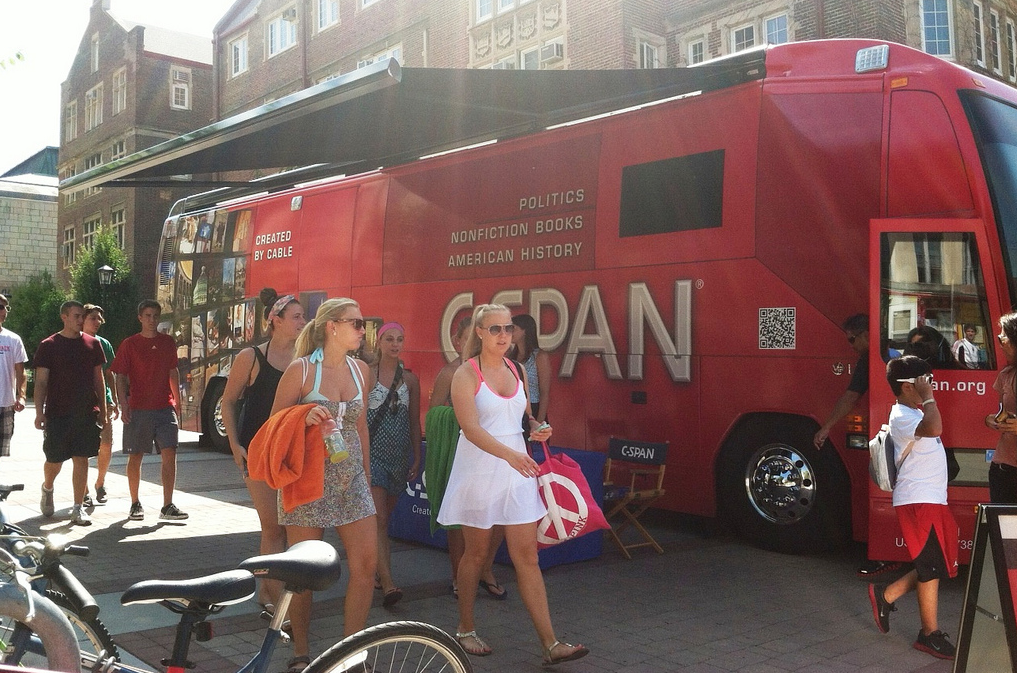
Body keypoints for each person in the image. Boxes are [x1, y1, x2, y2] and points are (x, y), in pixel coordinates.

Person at [437, 303, 588, 666]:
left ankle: (550, 643)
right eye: (495, 329)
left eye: (507, 329)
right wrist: (510, 454)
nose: (503, 335)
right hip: (480, 470)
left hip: (516, 469)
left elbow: (524, 417)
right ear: (479, 332)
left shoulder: (518, 368)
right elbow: (470, 430)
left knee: (527, 557)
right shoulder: (466, 374)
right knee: (475, 554)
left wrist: (537, 429)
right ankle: (465, 628)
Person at [267, 298, 377, 672]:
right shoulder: (300, 370)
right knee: (304, 572)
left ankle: (351, 654)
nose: (363, 331)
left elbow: (360, 427)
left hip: (351, 480)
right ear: (332, 326)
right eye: (357, 323)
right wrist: (303, 414)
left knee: (366, 563)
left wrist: (365, 474)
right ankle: (301, 652)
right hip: (307, 479)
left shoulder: (361, 369)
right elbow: (274, 425)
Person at [868, 355, 958, 660]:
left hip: (931, 499)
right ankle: (928, 635)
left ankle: (886, 594)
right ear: (908, 386)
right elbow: (934, 428)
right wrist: (930, 398)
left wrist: (927, 398)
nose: (931, 385)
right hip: (918, 500)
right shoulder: (903, 416)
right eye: (926, 380)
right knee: (931, 565)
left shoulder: (911, 411)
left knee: (937, 562)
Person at [221, 289, 305, 612]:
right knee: (273, 527)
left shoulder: (306, 358)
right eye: (296, 316)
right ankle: (275, 604)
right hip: (258, 454)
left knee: (288, 529)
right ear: (276, 320)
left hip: (293, 455)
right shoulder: (251, 357)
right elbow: (228, 401)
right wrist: (234, 444)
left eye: (303, 316)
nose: (303, 321)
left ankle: (268, 593)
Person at [427, 315, 507, 601]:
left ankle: (485, 570)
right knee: (461, 522)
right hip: (461, 453)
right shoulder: (451, 373)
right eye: (466, 339)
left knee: (498, 516)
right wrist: (463, 418)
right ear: (458, 340)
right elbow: (434, 414)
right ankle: (458, 576)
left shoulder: (498, 369)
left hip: (497, 455)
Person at [813, 314, 897, 575]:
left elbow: (850, 397)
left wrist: (826, 428)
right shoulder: (897, 350)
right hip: (914, 433)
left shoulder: (870, 360)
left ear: (866, 334)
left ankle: (887, 554)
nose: (851, 346)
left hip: (893, 433)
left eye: (852, 340)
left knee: (885, 488)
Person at [111, 300, 188, 522]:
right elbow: (120, 375)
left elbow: (173, 371)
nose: (152, 320)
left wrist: (178, 400)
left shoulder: (167, 342)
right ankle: (135, 503)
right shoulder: (130, 344)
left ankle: (167, 505)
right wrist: (123, 404)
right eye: (147, 315)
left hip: (165, 407)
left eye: (155, 315)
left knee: (170, 453)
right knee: (136, 456)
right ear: (140, 318)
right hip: (139, 408)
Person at [34, 300, 107, 526]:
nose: (80, 319)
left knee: (81, 458)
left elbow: (99, 379)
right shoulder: (49, 345)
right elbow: (41, 382)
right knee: (54, 460)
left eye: (81, 316)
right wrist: (39, 412)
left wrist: (103, 409)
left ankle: (78, 508)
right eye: (76, 316)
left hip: (85, 412)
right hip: (58, 413)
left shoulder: (93, 345)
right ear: (64, 317)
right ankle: (47, 487)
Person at [366, 322, 421, 608]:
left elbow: (414, 422)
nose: (395, 344)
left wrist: (417, 456)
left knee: (384, 519)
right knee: (379, 520)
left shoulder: (410, 380)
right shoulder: (367, 374)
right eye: (389, 339)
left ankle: (377, 568)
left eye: (400, 339)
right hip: (372, 453)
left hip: (398, 456)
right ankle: (388, 583)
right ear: (379, 341)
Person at [82, 304, 119, 504]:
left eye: (99, 319)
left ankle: (100, 482)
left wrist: (114, 399)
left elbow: (109, 373)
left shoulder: (104, 344)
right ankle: (84, 489)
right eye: (92, 318)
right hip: (82, 402)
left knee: (106, 444)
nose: (97, 322)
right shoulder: (75, 341)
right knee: (84, 449)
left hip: (103, 401)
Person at [983, 312, 1017, 503]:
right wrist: (993, 419)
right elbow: (1001, 411)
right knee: (1004, 531)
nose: (999, 344)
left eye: (1002, 338)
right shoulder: (1006, 374)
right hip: (1004, 468)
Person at [509, 314, 551, 430]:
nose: (509, 332)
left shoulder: (540, 356)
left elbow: (544, 392)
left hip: (533, 408)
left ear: (525, 331)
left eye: (513, 328)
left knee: (532, 447)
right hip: (513, 409)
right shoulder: (510, 356)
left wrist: (539, 422)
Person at [0, 295, 28, 461]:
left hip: (6, 404)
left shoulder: (14, 339)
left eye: (5, 307)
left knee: (1, 449)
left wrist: (22, 396)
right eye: (0, 307)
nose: (4, 311)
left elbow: (21, 372)